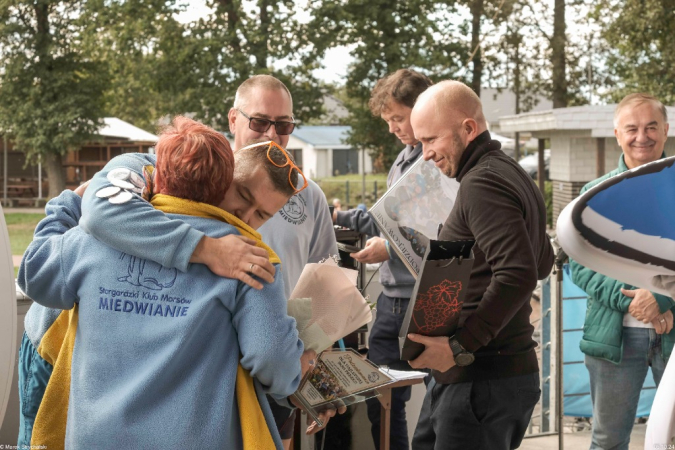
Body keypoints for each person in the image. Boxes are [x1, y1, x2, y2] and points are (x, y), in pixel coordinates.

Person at [76, 74, 338, 449]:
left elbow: (326, 284)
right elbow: (100, 212)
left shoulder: (308, 196)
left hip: (277, 364)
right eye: (260, 121)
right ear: (233, 119)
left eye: (283, 125)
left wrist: (315, 366)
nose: (271, 134)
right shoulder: (188, 172)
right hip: (202, 376)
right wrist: (209, 249)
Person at [18, 117, 306, 449]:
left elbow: (34, 273)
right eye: (242, 194)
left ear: (158, 175)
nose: (245, 218)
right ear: (224, 179)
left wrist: (68, 203)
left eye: (262, 215)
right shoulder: (250, 259)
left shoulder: (93, 238)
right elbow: (272, 360)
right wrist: (302, 366)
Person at [407, 80, 554, 450]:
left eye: (430, 140)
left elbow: (518, 274)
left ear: (468, 128)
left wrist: (459, 346)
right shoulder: (512, 172)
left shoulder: (482, 183)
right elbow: (542, 262)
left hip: (481, 382)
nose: (424, 154)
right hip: (482, 379)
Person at [332, 68, 432, 450]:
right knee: (382, 398)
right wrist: (339, 217)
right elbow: (386, 215)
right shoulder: (403, 158)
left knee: (433, 404)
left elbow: (441, 231)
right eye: (388, 120)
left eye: (397, 118)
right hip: (391, 298)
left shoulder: (437, 160)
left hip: (422, 299)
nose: (392, 128)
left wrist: (388, 248)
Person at [569, 93, 675, 450]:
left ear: (666, 129)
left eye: (651, 127)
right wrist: (631, 299)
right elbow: (580, 265)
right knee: (608, 440)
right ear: (617, 133)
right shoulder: (594, 195)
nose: (641, 136)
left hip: (673, 334)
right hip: (614, 338)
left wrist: (662, 298)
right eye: (632, 128)